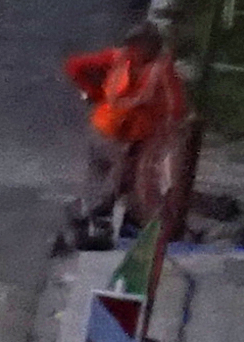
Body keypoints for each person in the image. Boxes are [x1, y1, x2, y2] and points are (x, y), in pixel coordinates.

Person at [61, 22, 193, 250]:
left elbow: (175, 106)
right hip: (116, 135)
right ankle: (94, 223)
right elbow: (75, 66)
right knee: (114, 182)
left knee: (106, 180)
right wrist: (91, 93)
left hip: (111, 131)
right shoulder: (150, 65)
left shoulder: (145, 63)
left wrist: (92, 94)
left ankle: (90, 219)